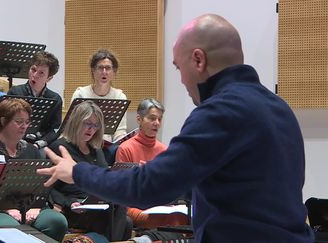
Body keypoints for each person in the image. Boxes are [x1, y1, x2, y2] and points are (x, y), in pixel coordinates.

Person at [38, 14, 315, 243]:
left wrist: (77, 171)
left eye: (178, 67)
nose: (181, 80)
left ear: (198, 60)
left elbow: (148, 187)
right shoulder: (279, 107)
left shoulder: (219, 112)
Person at [0, 98, 67, 242]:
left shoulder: (31, 151)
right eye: (19, 121)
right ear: (3, 121)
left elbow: (42, 186)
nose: (24, 126)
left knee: (56, 221)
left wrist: (37, 207)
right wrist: (6, 209)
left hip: (28, 208)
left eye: (27, 122)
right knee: (11, 227)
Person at [48, 100, 131, 241]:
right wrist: (68, 203)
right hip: (74, 207)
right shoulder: (59, 147)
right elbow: (47, 187)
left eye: (95, 125)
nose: (91, 129)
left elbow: (104, 178)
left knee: (123, 215)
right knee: (121, 220)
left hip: (96, 203)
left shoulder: (96, 150)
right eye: (87, 123)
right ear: (76, 122)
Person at [115, 98, 188, 231]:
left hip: (160, 204)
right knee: (158, 218)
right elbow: (124, 189)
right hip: (134, 206)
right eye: (152, 118)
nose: (157, 123)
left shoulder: (165, 150)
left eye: (159, 119)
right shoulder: (125, 148)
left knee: (182, 216)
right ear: (139, 119)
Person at [7, 51, 62, 148]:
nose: (35, 75)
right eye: (33, 69)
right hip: (16, 141)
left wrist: (39, 144)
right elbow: (8, 124)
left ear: (49, 78)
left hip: (41, 143)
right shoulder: (15, 93)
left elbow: (54, 130)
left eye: (41, 73)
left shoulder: (55, 99)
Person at [71, 48, 127, 142]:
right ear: (93, 70)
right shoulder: (80, 94)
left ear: (114, 72)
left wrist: (119, 143)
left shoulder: (120, 96)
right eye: (100, 68)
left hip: (107, 146)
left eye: (108, 68)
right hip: (83, 143)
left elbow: (120, 130)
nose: (104, 72)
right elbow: (73, 126)